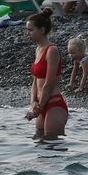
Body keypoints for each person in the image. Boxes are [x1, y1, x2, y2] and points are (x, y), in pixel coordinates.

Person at [24, 11, 69, 139]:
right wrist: (33, 102)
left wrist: (38, 109)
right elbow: (34, 81)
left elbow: (49, 83)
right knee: (39, 142)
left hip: (53, 104)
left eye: (31, 30)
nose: (28, 34)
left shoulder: (52, 50)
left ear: (42, 30)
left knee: (52, 142)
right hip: (40, 104)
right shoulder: (38, 49)